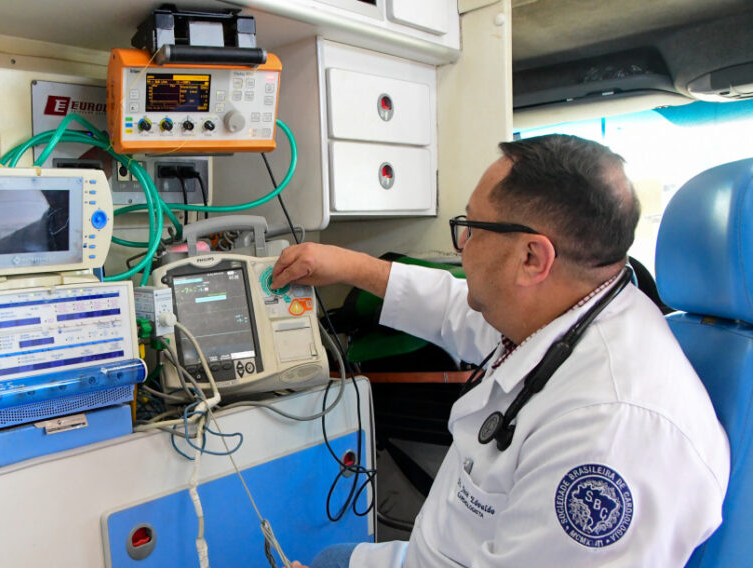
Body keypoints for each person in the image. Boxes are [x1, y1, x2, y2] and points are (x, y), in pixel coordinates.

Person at [271, 134, 730, 567]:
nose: (462, 246)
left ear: (532, 258)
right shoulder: (580, 305)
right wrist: (348, 265)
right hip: (452, 551)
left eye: (470, 228)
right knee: (332, 557)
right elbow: (455, 309)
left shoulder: (609, 433)